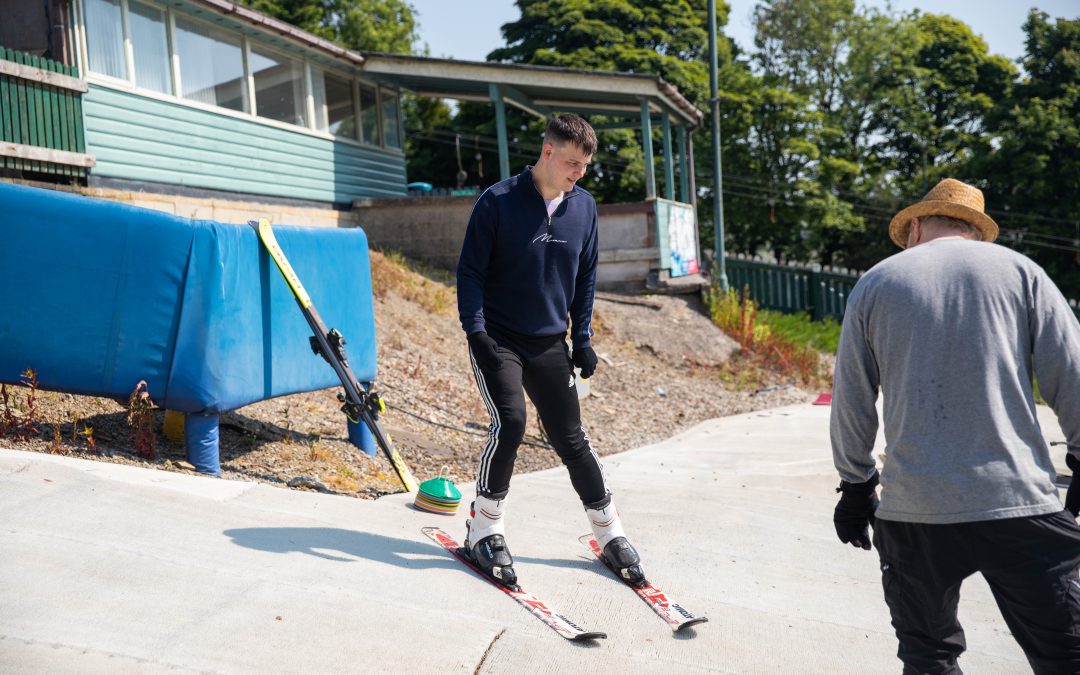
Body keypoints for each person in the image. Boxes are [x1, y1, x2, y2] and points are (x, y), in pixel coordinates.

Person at [831, 177, 1080, 674]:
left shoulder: (878, 281)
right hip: (1017, 502)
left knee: (929, 656)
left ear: (918, 225)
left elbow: (852, 397)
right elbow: (1072, 372)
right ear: (973, 229)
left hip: (916, 511)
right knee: (1066, 656)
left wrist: (855, 485)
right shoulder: (1021, 272)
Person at [455, 113, 645, 589]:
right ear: (548, 152)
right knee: (512, 422)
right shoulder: (497, 201)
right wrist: (475, 331)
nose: (578, 173)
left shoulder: (584, 207)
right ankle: (485, 529)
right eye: (572, 163)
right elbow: (470, 272)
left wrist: (582, 338)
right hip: (497, 336)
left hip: (548, 341)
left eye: (584, 166)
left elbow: (586, 277)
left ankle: (609, 533)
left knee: (571, 436)